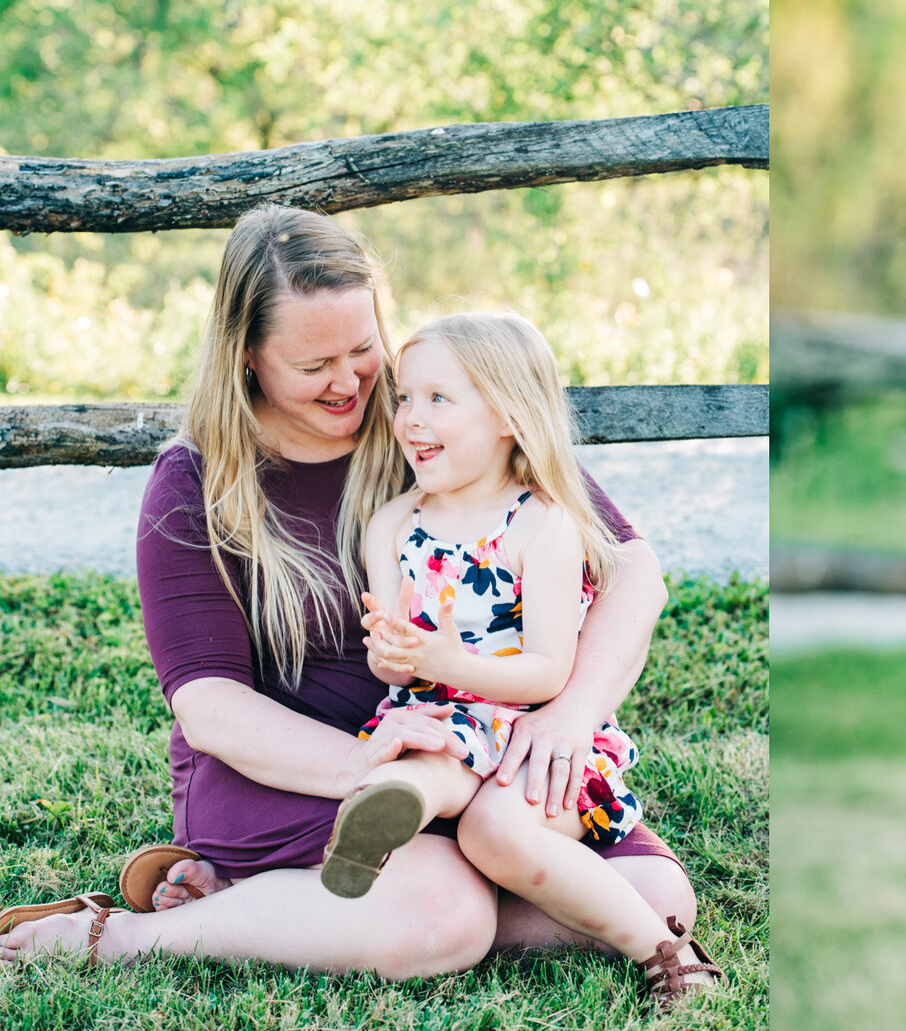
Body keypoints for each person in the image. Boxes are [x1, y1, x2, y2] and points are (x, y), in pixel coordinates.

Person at [0, 204, 694, 983]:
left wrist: (568, 719)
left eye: (364, 349)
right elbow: (211, 707)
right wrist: (392, 766)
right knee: (446, 911)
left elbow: (633, 570)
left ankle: (284, 905)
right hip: (296, 771)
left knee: (659, 901)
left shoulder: (428, 419)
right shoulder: (194, 484)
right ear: (247, 357)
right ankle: (127, 935)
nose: (350, 382)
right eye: (312, 365)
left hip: (475, 747)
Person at [336, 310, 719, 1005]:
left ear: (509, 415)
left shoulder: (542, 524)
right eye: (404, 398)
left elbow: (549, 670)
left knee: (492, 830)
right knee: (428, 764)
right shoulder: (394, 523)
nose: (411, 419)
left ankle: (665, 952)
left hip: (532, 733)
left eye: (438, 399)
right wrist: (395, 657)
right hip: (442, 722)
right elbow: (391, 672)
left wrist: (445, 661)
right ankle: (379, 821)